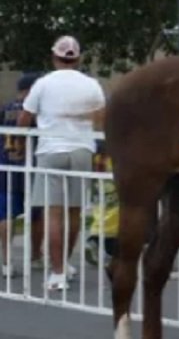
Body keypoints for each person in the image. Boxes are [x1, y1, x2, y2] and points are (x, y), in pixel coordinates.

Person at [18, 36, 106, 291]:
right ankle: (64, 264)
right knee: (75, 212)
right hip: (82, 149)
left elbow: (25, 117)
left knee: (53, 213)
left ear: (54, 57)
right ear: (78, 59)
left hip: (50, 150)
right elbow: (102, 117)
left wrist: (21, 143)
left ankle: (57, 273)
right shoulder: (91, 84)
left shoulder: (43, 83)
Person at [1, 72, 42, 277]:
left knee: (5, 215)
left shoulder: (4, 109)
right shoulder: (34, 113)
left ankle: (6, 262)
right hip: (30, 167)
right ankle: (35, 256)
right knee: (38, 215)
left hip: (6, 168)